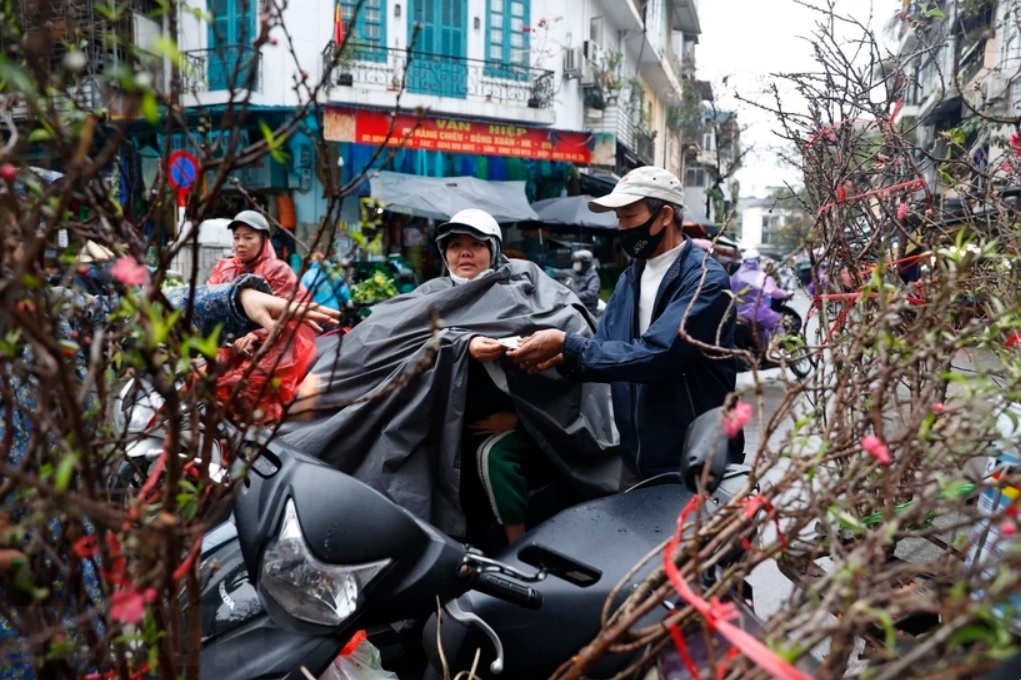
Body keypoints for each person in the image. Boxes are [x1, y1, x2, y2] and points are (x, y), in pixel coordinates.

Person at [280, 211, 618, 541]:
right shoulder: (429, 297)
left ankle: (518, 545)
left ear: (494, 250)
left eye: (475, 244)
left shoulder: (523, 286)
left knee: (491, 462)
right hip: (444, 422)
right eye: (455, 245)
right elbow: (379, 345)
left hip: (521, 424)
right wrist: (461, 345)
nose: (465, 253)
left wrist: (517, 418)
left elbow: (570, 346)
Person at [506, 165, 741, 486]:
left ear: (664, 216)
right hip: (635, 458)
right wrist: (556, 357)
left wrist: (567, 346)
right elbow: (606, 351)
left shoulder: (705, 281)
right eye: (618, 218)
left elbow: (658, 355)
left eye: (629, 217)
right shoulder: (629, 279)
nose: (622, 227)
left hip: (693, 459)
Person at [207, 209, 304, 356]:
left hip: (267, 350)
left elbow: (286, 317)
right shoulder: (223, 268)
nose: (240, 244)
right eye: (236, 237)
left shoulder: (278, 271)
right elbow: (208, 306)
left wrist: (256, 335)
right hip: (224, 348)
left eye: (248, 238)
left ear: (264, 240)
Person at [730, 248, 791, 348]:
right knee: (777, 323)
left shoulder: (735, 276)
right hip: (758, 313)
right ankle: (781, 353)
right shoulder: (762, 276)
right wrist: (786, 294)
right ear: (758, 261)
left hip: (737, 313)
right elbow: (772, 291)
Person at [569, 249, 601, 316]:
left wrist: (574, 296)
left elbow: (591, 294)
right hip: (576, 307)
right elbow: (566, 273)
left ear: (585, 263)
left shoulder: (593, 277)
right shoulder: (578, 274)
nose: (575, 264)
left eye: (578, 262)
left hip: (588, 311)